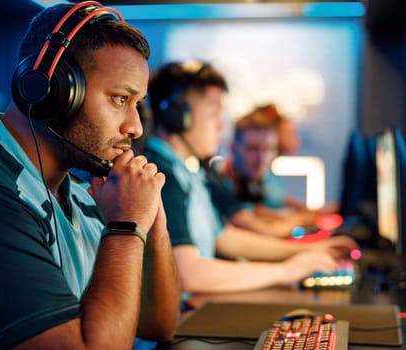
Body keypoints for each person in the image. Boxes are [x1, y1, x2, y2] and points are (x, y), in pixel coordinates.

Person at [0, 2, 180, 349]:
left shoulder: (79, 189)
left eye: (138, 104)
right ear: (51, 91)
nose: (135, 127)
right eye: (120, 99)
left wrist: (150, 215)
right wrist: (126, 226)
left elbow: (158, 324)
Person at [143, 60, 358, 296]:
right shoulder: (159, 176)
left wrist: (306, 251)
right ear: (177, 116)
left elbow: (226, 238)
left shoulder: (187, 172)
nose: (220, 125)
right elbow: (188, 273)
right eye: (214, 113)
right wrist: (286, 270)